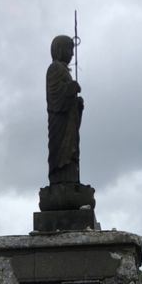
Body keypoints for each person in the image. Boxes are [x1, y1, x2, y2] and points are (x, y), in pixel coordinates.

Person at [46, 35, 84, 185]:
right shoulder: (55, 68)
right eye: (70, 50)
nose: (72, 54)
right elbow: (55, 96)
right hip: (59, 122)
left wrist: (77, 104)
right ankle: (59, 181)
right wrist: (70, 88)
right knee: (61, 151)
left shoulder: (64, 70)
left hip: (69, 122)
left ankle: (71, 180)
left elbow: (68, 99)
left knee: (72, 151)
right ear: (61, 49)